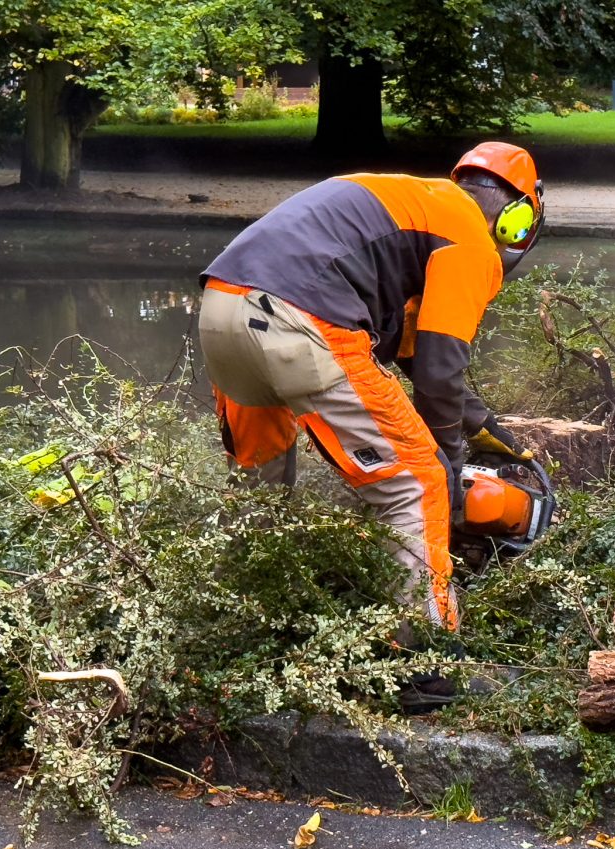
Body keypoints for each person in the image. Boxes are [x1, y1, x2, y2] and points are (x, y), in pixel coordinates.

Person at [197, 142, 543, 646]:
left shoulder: (420, 204)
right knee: (418, 482)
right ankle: (424, 660)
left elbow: (412, 350)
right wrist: (447, 465)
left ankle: (236, 632)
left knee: (259, 488)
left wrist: (481, 425)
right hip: (301, 315)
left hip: (222, 308)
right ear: (518, 220)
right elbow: (438, 370)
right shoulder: (470, 236)